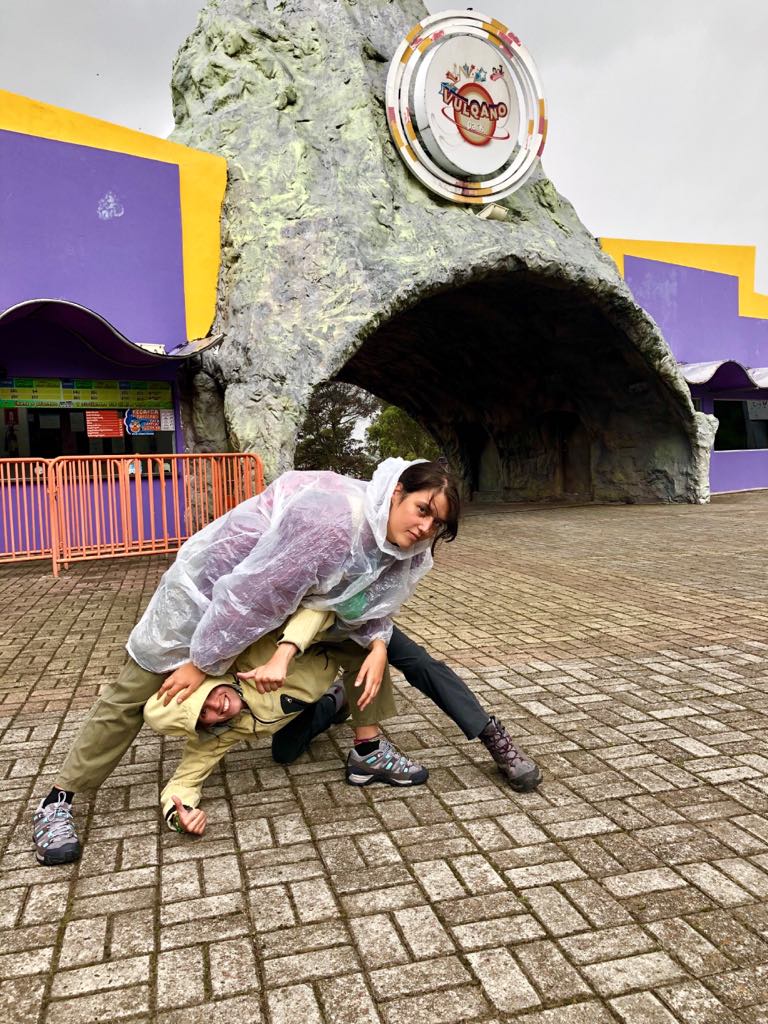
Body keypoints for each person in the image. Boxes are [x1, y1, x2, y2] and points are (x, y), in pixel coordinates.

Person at [31, 458, 540, 866]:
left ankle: (387, 749)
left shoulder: (411, 547)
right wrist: (202, 663)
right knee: (137, 690)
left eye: (437, 523)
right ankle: (58, 800)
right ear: (398, 491)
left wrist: (379, 643)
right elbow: (250, 599)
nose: (426, 527)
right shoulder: (332, 521)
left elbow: (375, 601)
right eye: (422, 510)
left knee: (394, 655)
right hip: (213, 595)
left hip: (309, 608)